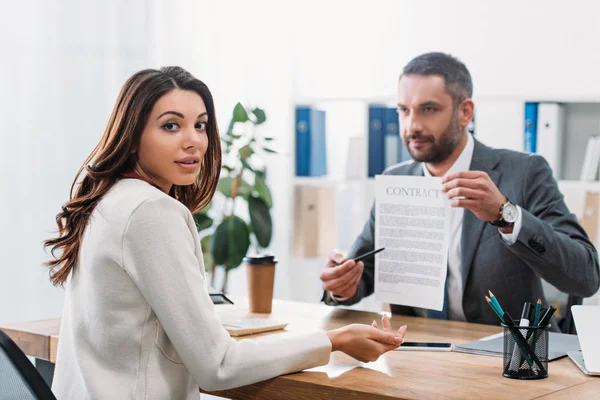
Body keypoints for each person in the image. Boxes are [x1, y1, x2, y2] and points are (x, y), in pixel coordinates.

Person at [44, 66, 407, 399]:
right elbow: (218, 365)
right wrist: (336, 341)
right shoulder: (152, 212)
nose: (194, 141)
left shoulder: (108, 199)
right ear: (133, 136)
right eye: (171, 126)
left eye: (200, 125)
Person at [321, 52, 600, 327]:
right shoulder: (397, 181)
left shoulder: (525, 173)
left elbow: (586, 277)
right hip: (417, 354)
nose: (412, 125)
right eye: (404, 110)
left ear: (465, 112)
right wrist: (341, 285)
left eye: (428, 109)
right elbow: (363, 272)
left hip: (509, 357)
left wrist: (505, 214)